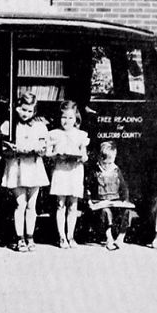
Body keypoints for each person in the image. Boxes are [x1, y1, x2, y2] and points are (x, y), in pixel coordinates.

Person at [0, 92, 49, 252]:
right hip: (17, 167)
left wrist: (39, 149)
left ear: (34, 111)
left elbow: (45, 149)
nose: (25, 113)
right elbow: (3, 151)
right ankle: (19, 238)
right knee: (20, 203)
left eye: (29, 111)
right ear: (16, 107)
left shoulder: (40, 126)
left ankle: (30, 237)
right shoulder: (8, 125)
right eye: (23, 109)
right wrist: (14, 149)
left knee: (32, 205)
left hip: (34, 168)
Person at [46, 100, 89, 249]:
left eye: (70, 118)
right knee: (60, 204)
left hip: (75, 171)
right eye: (64, 117)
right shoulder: (54, 134)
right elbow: (47, 153)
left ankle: (71, 235)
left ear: (76, 118)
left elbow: (85, 156)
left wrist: (80, 157)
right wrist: (55, 154)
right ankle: (61, 237)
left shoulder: (81, 135)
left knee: (73, 205)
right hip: (60, 171)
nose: (67, 121)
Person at [86, 141, 134, 251]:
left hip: (116, 200)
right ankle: (109, 238)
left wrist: (125, 200)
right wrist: (89, 201)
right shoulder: (96, 171)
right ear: (99, 159)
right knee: (105, 212)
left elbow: (124, 187)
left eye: (110, 162)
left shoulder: (116, 170)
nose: (107, 166)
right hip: (101, 202)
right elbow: (88, 187)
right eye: (105, 163)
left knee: (126, 212)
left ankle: (121, 237)